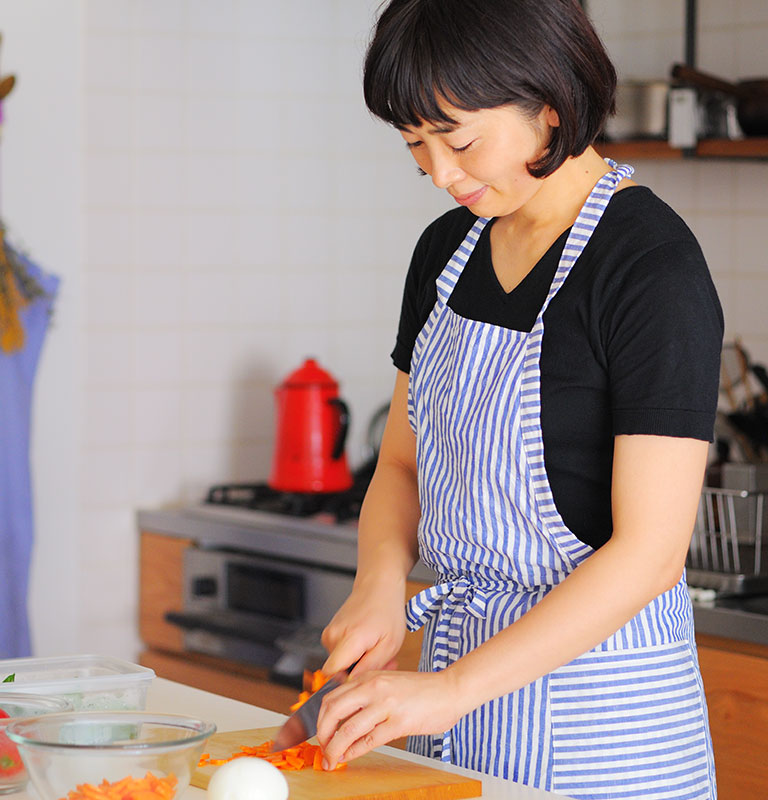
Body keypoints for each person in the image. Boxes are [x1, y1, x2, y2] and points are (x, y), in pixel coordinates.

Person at [315, 1, 722, 798]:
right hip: (451, 711)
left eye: (458, 139)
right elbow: (400, 464)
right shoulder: (444, 252)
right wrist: (378, 583)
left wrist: (456, 688)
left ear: (551, 105)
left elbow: (650, 555)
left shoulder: (651, 268)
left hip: (606, 725)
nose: (439, 172)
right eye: (414, 148)